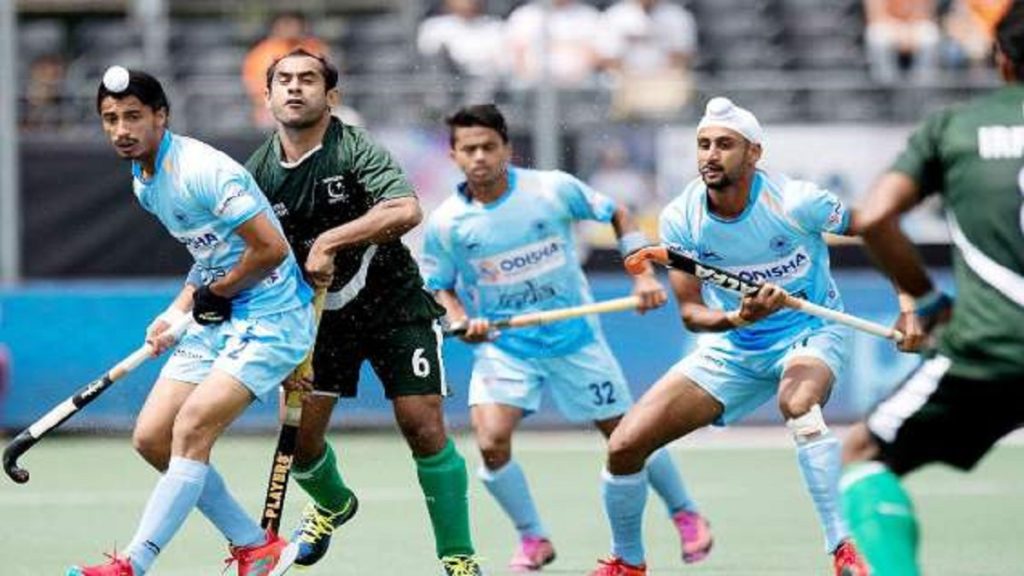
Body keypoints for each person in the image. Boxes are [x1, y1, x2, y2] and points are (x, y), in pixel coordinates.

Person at [420, 104, 711, 572]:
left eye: (489, 147)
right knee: (491, 443)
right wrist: (460, 319)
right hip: (506, 348)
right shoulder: (446, 223)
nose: (480, 157)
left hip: (575, 340)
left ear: (507, 149)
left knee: (628, 436)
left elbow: (617, 214)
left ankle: (685, 513)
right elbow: (439, 284)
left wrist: (641, 275)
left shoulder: (551, 189)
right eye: (469, 149)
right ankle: (533, 537)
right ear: (454, 155)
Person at [588, 97, 872, 576]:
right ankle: (628, 563)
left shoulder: (796, 202)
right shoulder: (681, 218)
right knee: (624, 447)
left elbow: (875, 227)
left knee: (799, 404)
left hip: (809, 332)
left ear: (754, 153)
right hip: (733, 347)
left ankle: (845, 547)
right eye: (703, 144)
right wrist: (740, 318)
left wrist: (912, 302)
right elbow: (692, 314)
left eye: (724, 144)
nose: (711, 155)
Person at [244, 49, 483, 576]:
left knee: (422, 424)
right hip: (318, 320)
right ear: (268, 97)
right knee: (300, 442)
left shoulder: (354, 149)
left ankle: (459, 558)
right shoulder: (256, 173)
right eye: (284, 80)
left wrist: (329, 241)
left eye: (308, 79)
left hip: (394, 305)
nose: (295, 87)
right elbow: (248, 253)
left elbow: (405, 209)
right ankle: (332, 504)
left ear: (330, 96)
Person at [69, 66, 315, 576]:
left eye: (133, 116)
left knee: (191, 427)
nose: (121, 130)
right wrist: (177, 310)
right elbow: (211, 255)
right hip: (219, 317)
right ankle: (256, 546)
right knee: (152, 438)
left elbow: (270, 250)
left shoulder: (201, 171)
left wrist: (217, 293)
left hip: (273, 318)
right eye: (111, 119)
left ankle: (133, 564)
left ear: (161, 116)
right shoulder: (144, 182)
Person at [840, 4, 1024, 575]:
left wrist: (925, 299)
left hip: (989, 350)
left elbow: (873, 217)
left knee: (864, 453)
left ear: (1001, 58)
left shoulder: (955, 128)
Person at [242, 11, 330, 128]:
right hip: (273, 108)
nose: (291, 28)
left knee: (345, 117)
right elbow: (256, 85)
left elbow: (328, 79)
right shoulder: (261, 53)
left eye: (294, 23)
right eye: (286, 23)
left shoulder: (315, 47)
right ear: (276, 27)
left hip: (313, 104)